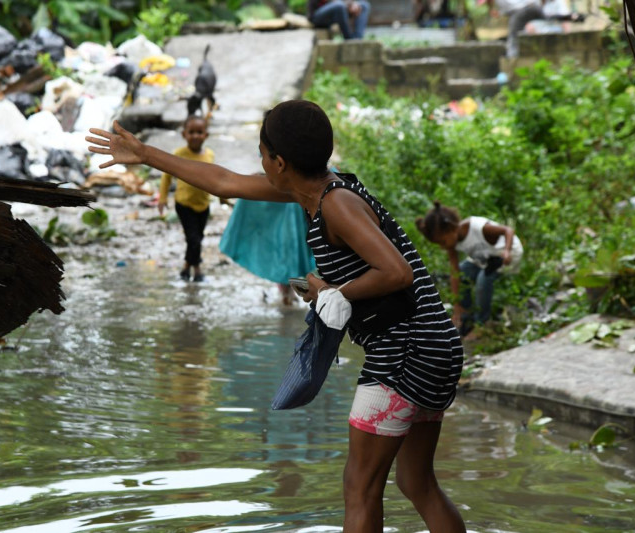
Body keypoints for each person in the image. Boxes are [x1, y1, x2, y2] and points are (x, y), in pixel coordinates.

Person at [87, 99, 465, 532]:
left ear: (280, 162)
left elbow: (395, 272)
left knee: (359, 488)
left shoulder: (336, 204)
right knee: (416, 481)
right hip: (436, 347)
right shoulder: (313, 189)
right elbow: (225, 182)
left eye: (262, 154)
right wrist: (147, 154)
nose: (259, 163)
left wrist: (331, 293)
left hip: (407, 354)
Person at [416, 202, 523, 336]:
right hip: (484, 259)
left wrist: (507, 251)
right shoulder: (452, 243)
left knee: (483, 281)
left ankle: (481, 323)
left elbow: (508, 230)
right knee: (463, 272)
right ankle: (466, 316)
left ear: (451, 229)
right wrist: (456, 305)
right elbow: (455, 272)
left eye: (443, 242)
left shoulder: (477, 227)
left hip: (506, 254)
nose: (443, 247)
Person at [219, 198, 316, 305]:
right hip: (286, 201)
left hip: (290, 200)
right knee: (288, 241)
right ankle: (287, 291)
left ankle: (286, 291)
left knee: (288, 241)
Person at [158, 114, 214, 282]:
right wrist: (162, 198)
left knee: (198, 237)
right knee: (193, 238)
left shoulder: (209, 155)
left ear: (206, 135)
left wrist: (222, 197)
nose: (195, 136)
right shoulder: (179, 154)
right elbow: (166, 177)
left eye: (199, 132)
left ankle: (186, 267)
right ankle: (196, 269)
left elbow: (214, 178)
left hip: (203, 203)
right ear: (184, 134)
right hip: (184, 203)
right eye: (191, 132)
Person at [486, 0, 584, 59]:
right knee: (547, 17)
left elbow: (515, 8)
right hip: (530, 9)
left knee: (513, 34)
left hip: (526, 9)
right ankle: (573, 17)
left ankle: (511, 58)